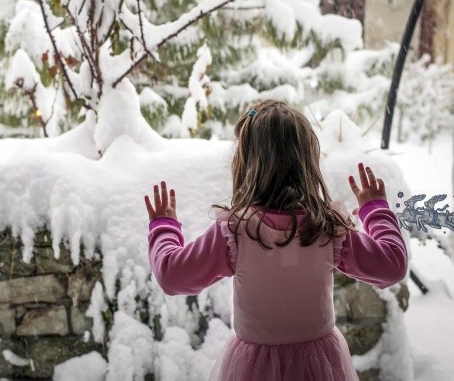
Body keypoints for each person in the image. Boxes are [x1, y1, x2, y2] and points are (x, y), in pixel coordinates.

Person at [144, 100, 408, 381]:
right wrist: (375, 210)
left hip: (254, 370)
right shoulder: (327, 228)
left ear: (246, 164)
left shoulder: (236, 231)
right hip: (319, 367)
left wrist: (164, 226)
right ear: (307, 162)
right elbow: (392, 265)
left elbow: (172, 275)